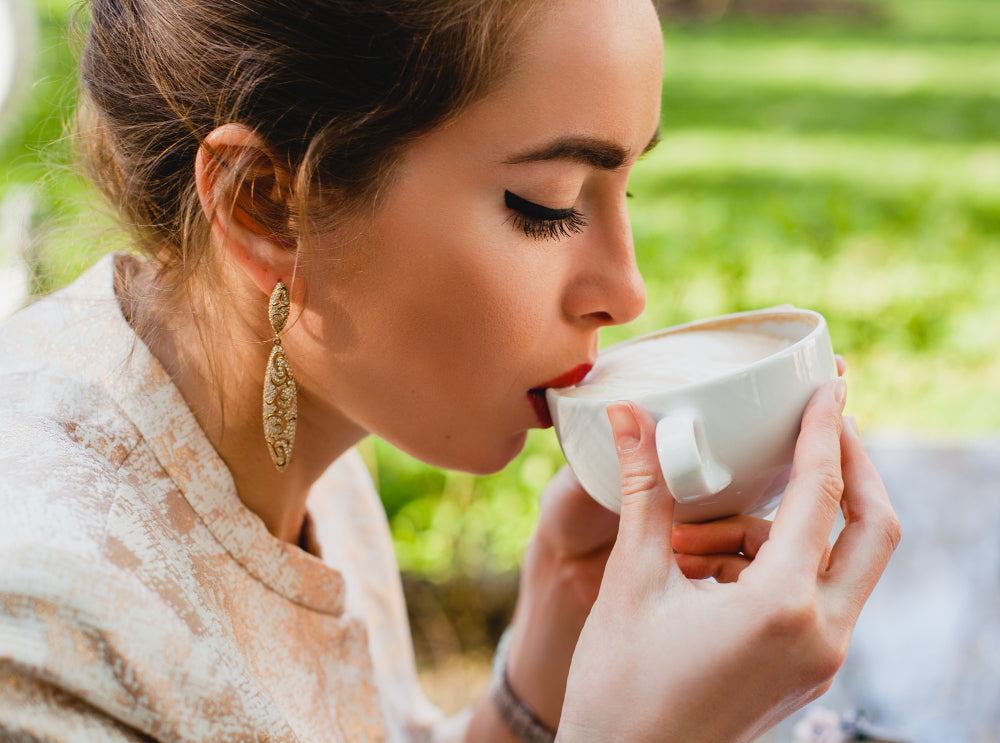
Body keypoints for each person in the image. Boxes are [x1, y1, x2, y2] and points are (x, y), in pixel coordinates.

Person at [0, 0, 900, 740]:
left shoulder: (302, 431)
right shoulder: (41, 636)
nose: (627, 292)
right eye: (545, 206)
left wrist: (537, 684)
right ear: (267, 203)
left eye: (625, 189)